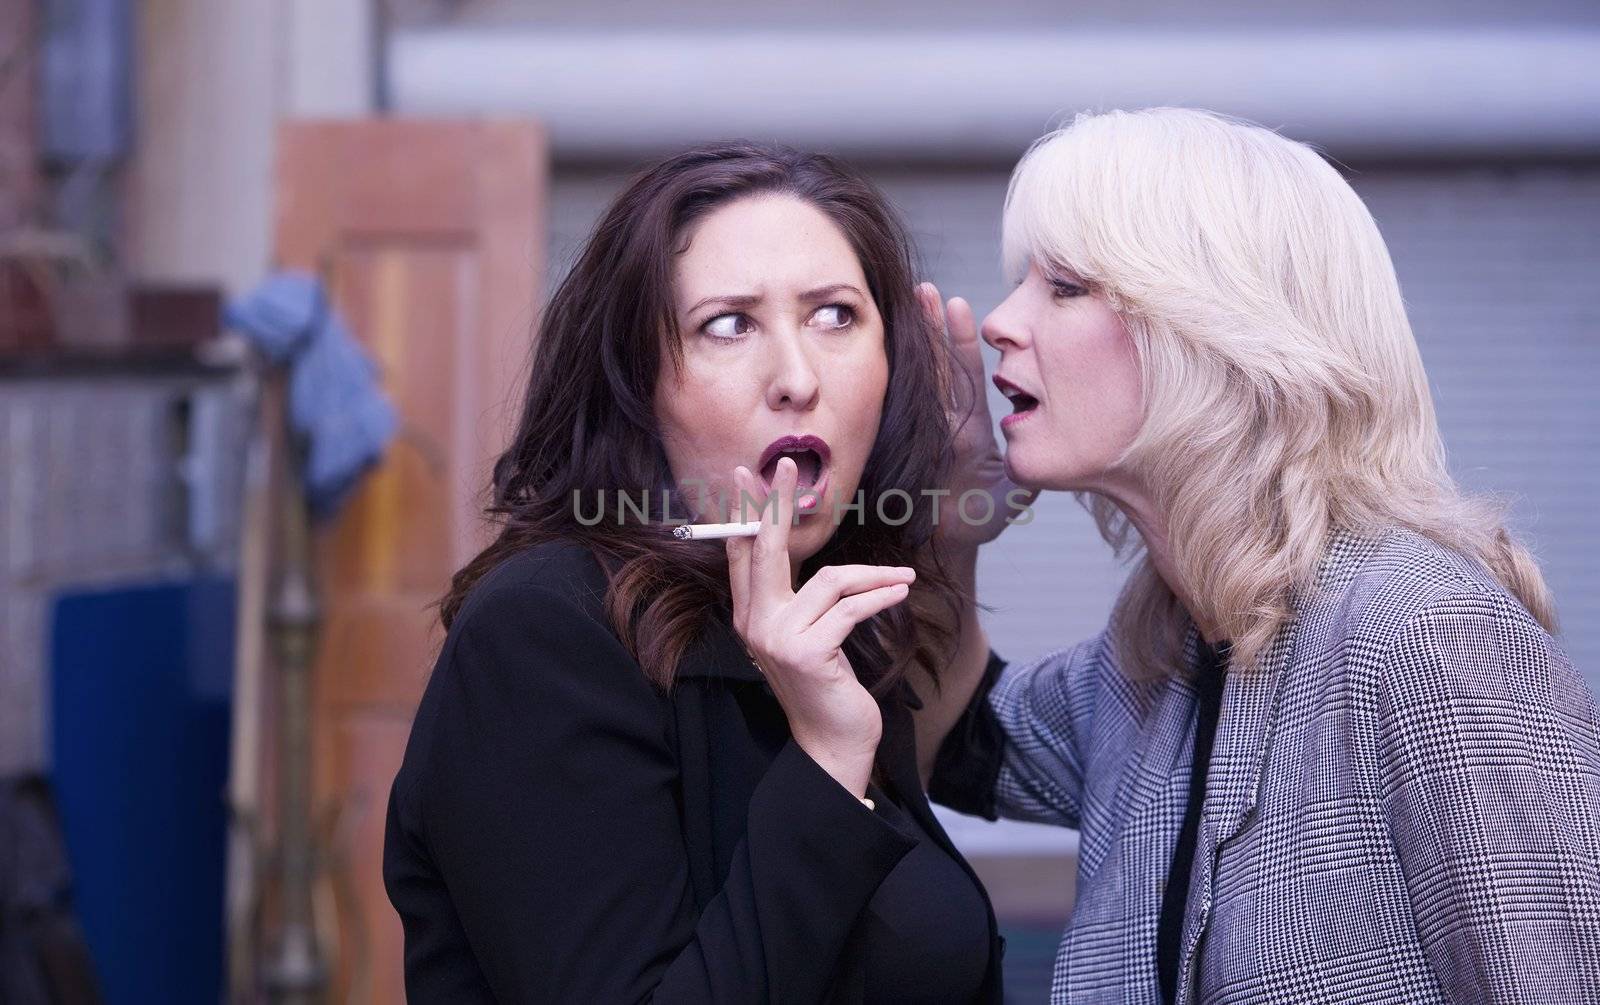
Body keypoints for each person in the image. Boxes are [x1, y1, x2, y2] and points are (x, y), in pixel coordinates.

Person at [915, 107, 1600, 1004]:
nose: (1001, 321)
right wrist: (951, 522)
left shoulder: (1421, 631)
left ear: (1218, 328)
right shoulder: (1156, 662)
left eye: (1068, 285)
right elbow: (951, 735)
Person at [382, 141, 1004, 1002]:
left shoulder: (828, 611)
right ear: (638, 386)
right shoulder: (543, 632)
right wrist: (825, 756)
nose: (797, 377)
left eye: (834, 315)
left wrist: (953, 537)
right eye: (728, 324)